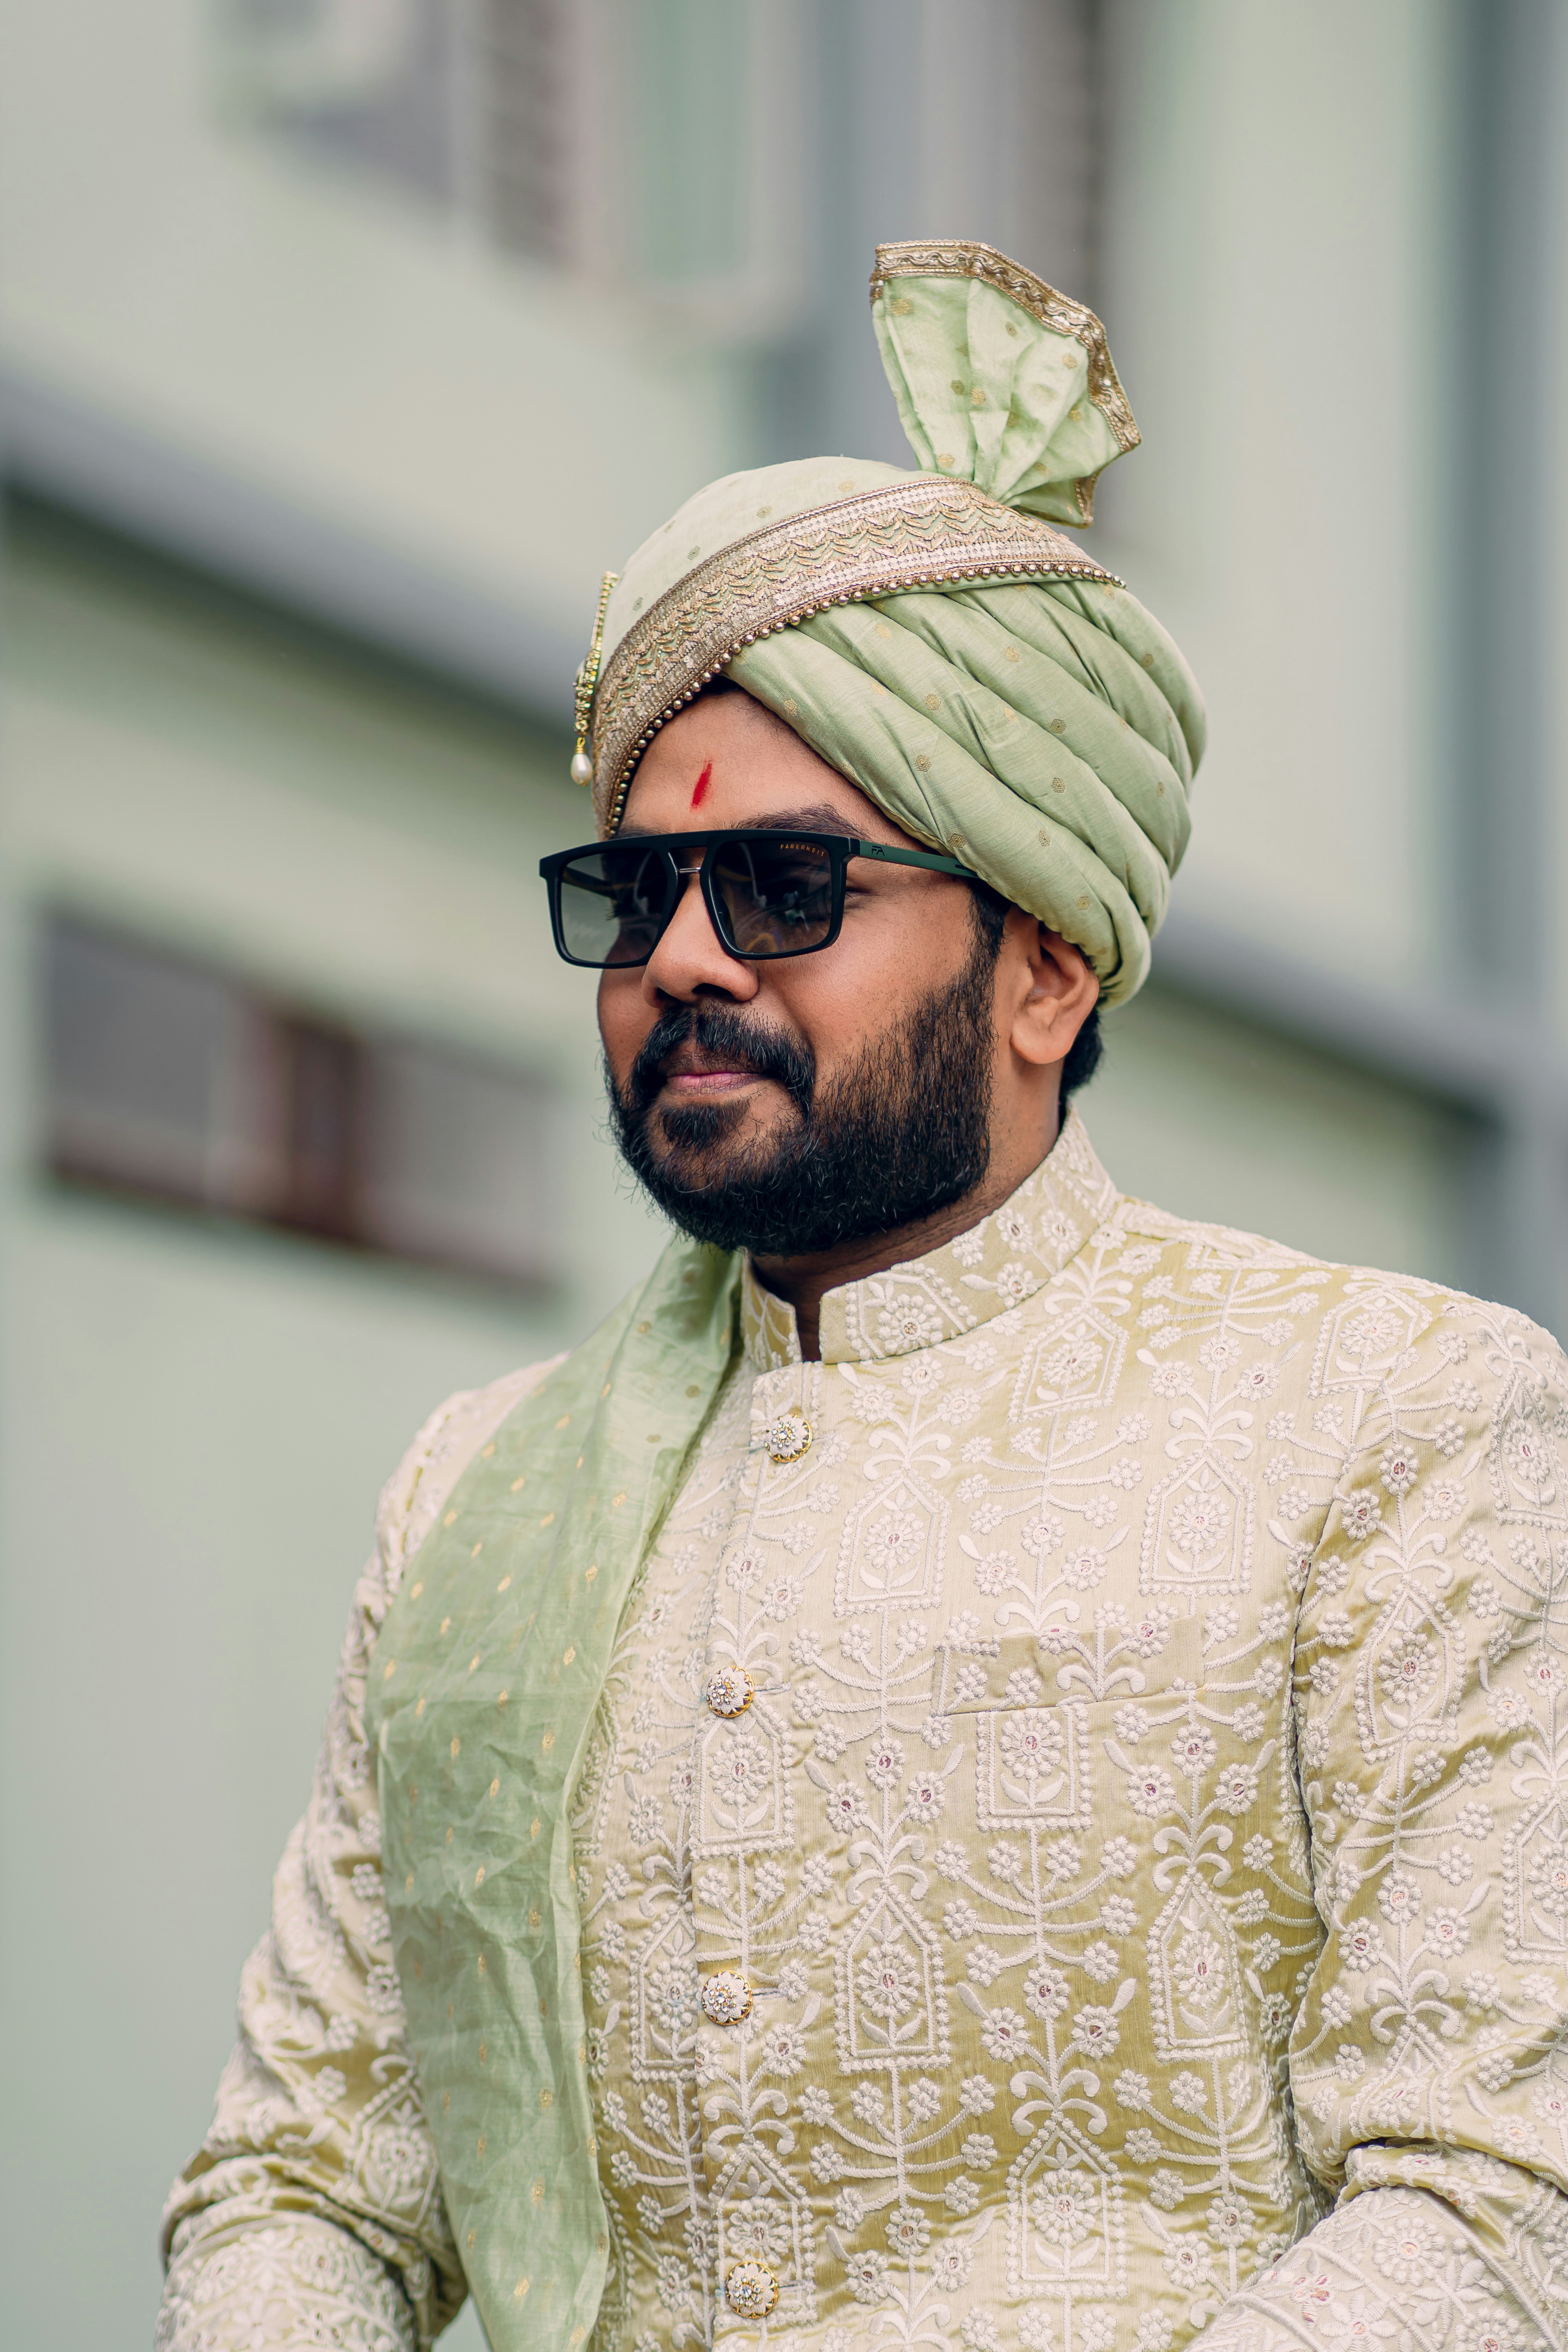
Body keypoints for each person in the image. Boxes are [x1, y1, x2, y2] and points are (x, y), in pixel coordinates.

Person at [159, 242, 1568, 2352]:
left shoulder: (1391, 1418)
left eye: (791, 888)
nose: (691, 960)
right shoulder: (486, 1497)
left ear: (1049, 962)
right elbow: (305, 2183)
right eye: (638, 895)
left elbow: (1488, 2211)